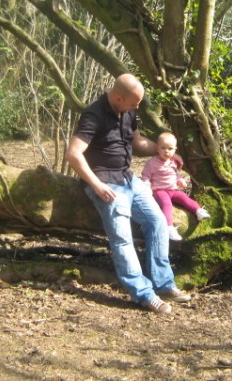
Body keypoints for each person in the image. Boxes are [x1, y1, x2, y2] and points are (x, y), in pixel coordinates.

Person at [66, 73, 192, 314]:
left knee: (157, 221)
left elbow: (137, 142)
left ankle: (164, 284)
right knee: (122, 237)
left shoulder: (128, 111)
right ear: (118, 97)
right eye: (134, 103)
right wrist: (95, 184)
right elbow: (74, 154)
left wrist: (163, 152)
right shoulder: (94, 115)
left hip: (127, 178)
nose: (137, 108)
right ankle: (144, 294)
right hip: (105, 183)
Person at [141, 132, 210, 241]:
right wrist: (146, 187)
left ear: (175, 150)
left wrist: (180, 180)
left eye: (170, 148)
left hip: (173, 189)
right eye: (163, 148)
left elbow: (175, 173)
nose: (166, 151)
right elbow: (145, 176)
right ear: (157, 148)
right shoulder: (152, 163)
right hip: (159, 190)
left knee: (185, 198)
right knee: (166, 204)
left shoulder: (172, 162)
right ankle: (169, 227)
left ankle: (198, 211)